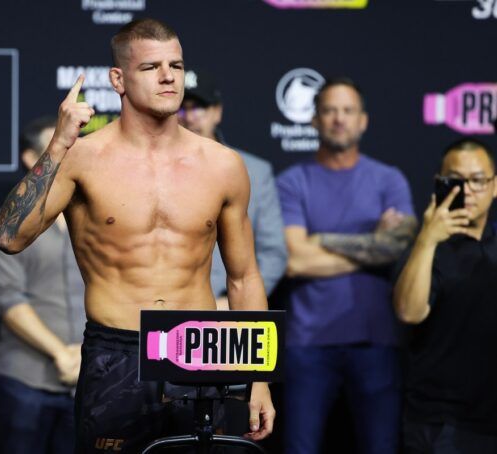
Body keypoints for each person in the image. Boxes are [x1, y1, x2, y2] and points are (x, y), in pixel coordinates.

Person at [0, 18, 275, 454]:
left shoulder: (222, 165)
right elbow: (9, 237)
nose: (168, 77)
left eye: (176, 65)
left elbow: (243, 278)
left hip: (197, 348)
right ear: (118, 80)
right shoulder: (82, 158)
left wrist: (259, 379)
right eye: (150, 67)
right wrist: (58, 146)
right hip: (117, 352)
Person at [277, 77, 417, 454]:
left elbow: (397, 248)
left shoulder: (389, 180)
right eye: (329, 110)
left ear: (363, 120)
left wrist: (321, 240)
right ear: (314, 120)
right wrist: (372, 244)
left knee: (381, 447)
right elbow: (294, 260)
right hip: (307, 343)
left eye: (348, 110)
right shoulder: (292, 182)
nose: (339, 119)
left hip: (376, 341)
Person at [0, 116, 85, 454]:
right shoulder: (8, 227)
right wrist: (61, 353)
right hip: (26, 380)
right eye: (60, 145)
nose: (70, 153)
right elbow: (7, 298)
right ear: (31, 158)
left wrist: (87, 353)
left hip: (91, 377)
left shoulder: (97, 221)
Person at [393, 138, 497, 453]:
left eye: (478, 180)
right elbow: (409, 312)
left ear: (494, 186)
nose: (468, 191)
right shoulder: (427, 248)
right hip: (440, 422)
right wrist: (427, 240)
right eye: (455, 181)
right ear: (439, 183)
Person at [179, 70, 287, 309]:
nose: (189, 117)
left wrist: (230, 303)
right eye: (181, 108)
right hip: (165, 309)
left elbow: (273, 253)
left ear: (217, 112)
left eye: (199, 107)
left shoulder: (255, 171)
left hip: (228, 306)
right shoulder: (152, 168)